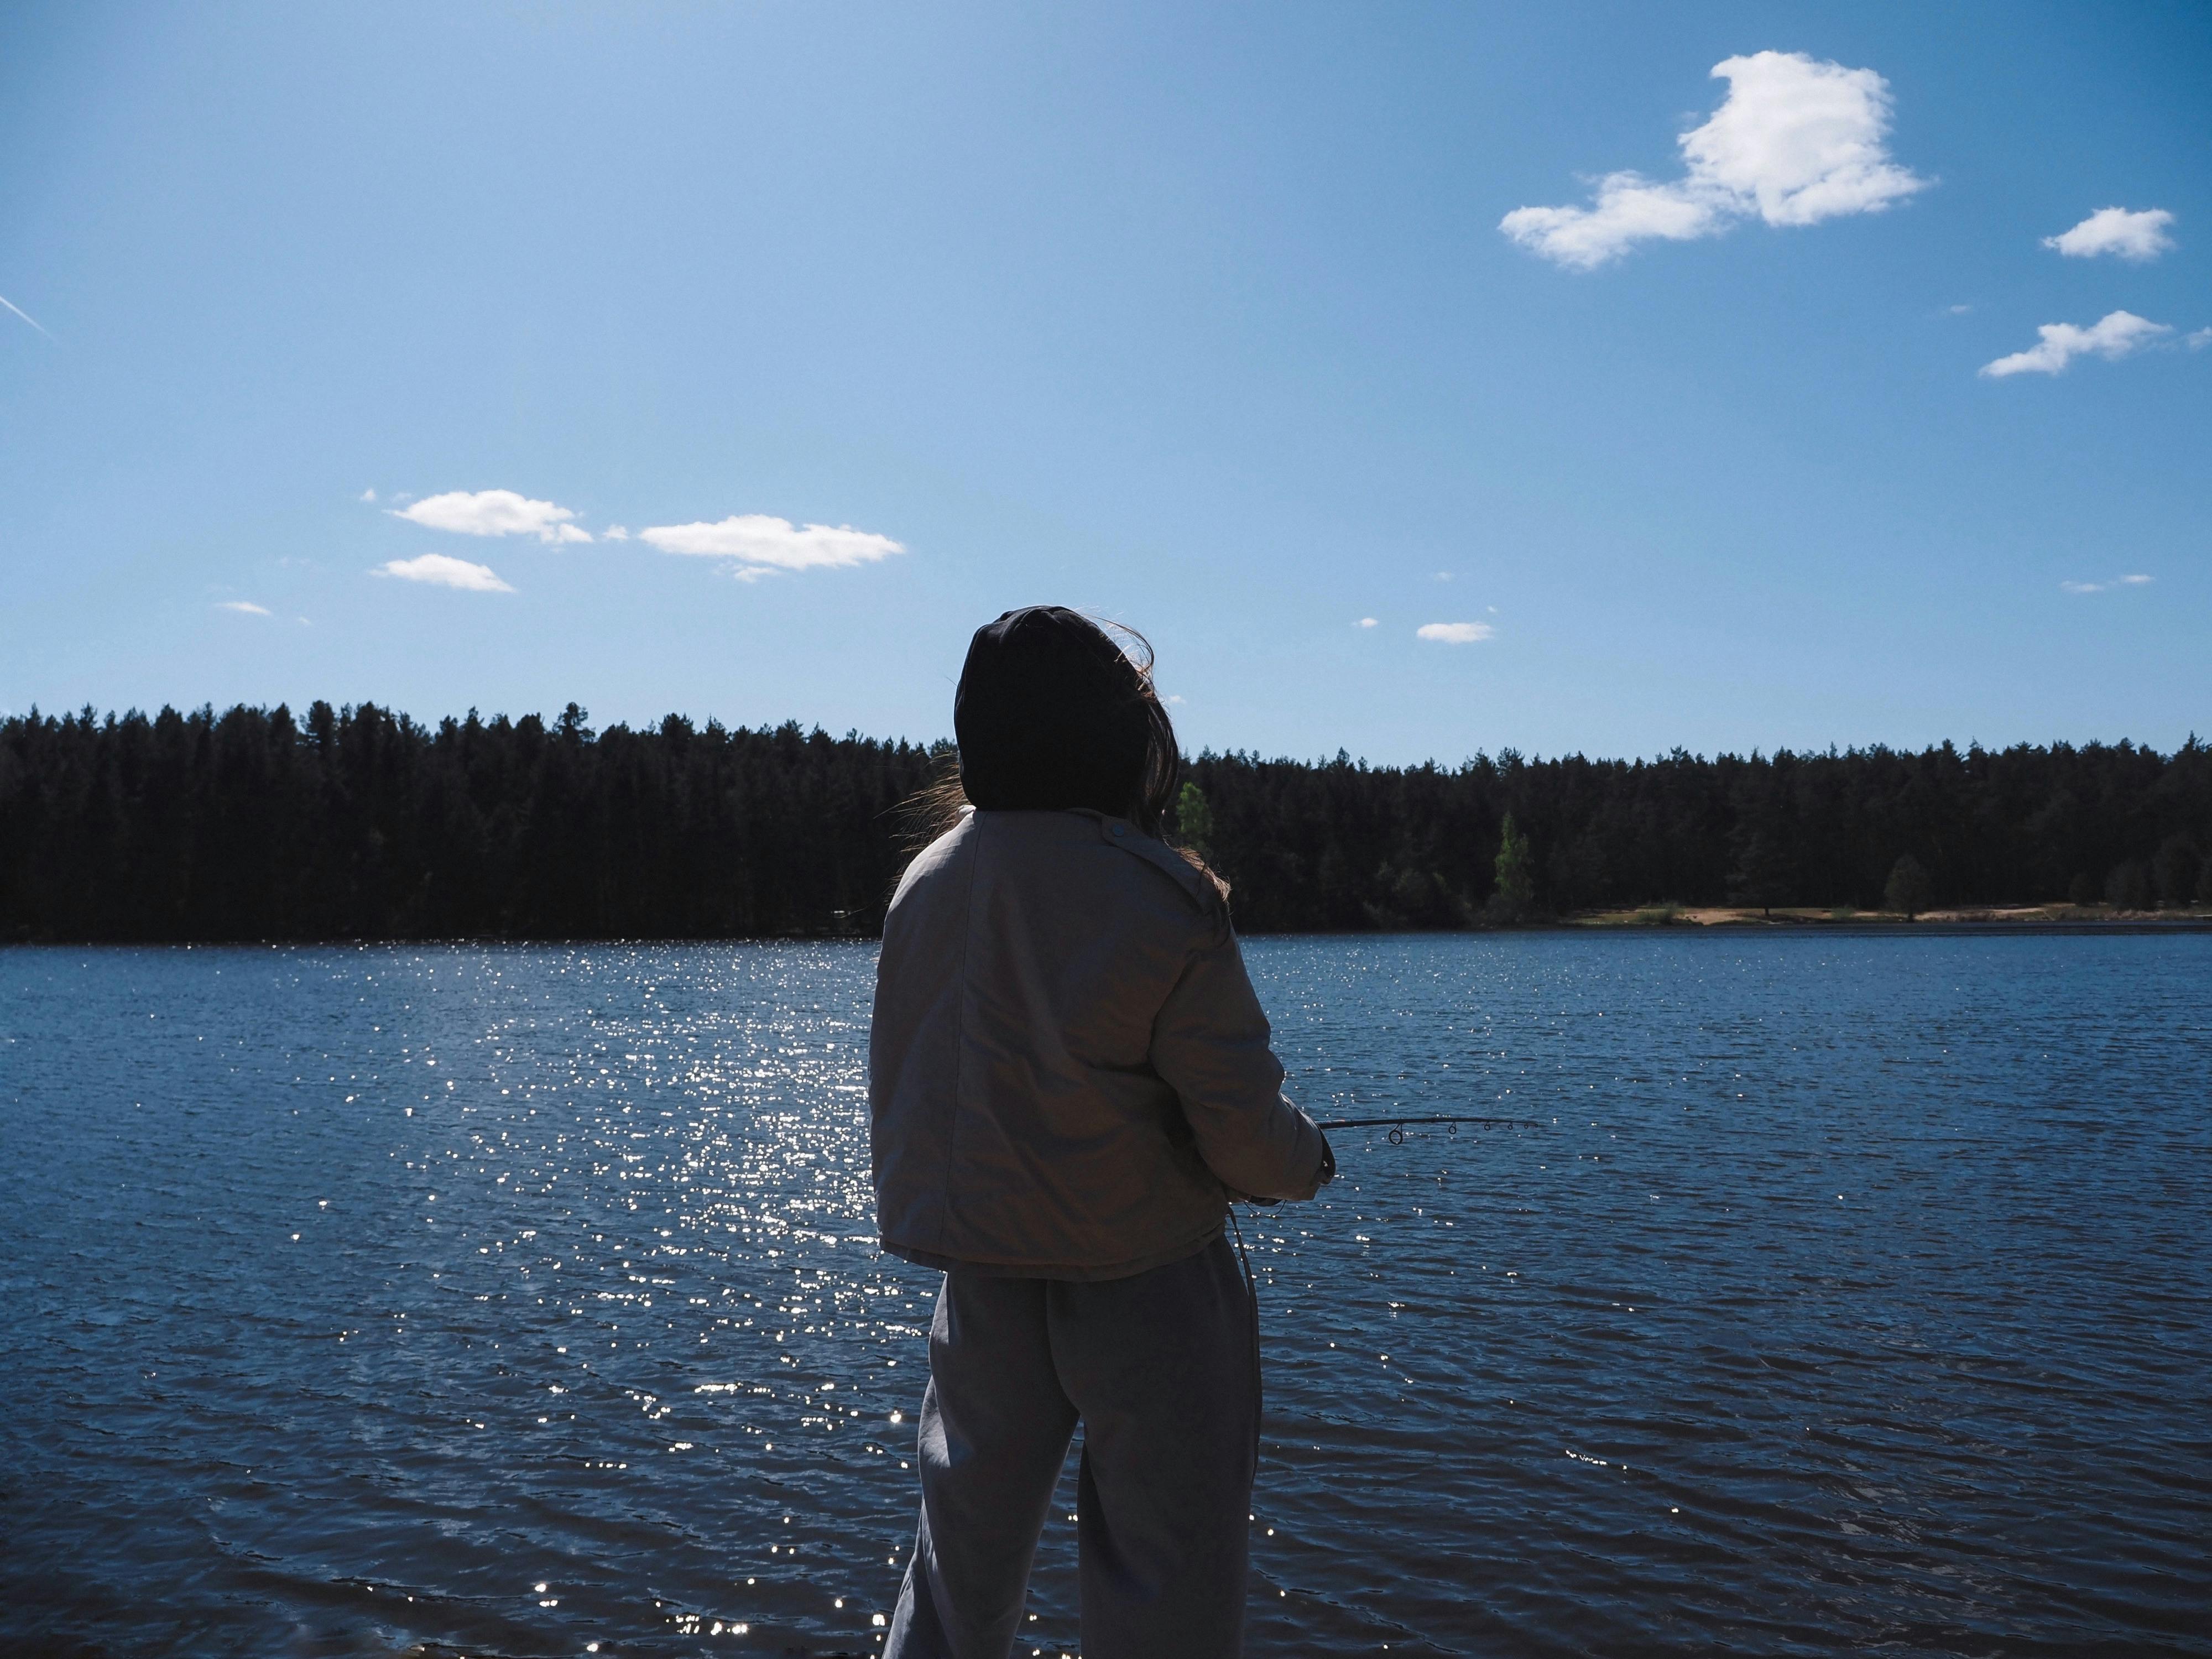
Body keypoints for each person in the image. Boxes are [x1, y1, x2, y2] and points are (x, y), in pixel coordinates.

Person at [871, 606, 1334, 1659]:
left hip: (983, 1285)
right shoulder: (1163, 898)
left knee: (957, 1576)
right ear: (1122, 741)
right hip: (1151, 1288)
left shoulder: (924, 886)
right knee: (1166, 1587)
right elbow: (1245, 1136)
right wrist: (1309, 1160)